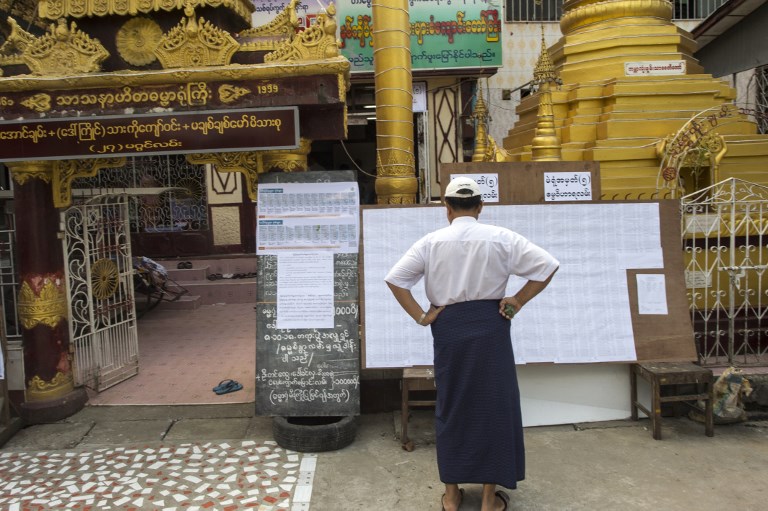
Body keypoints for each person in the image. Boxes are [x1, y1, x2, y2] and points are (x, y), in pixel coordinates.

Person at [384, 177, 559, 511]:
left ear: (446, 208)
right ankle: (489, 500)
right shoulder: (502, 238)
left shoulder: (431, 242)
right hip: (492, 325)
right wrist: (518, 300)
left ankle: (451, 497)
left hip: (449, 328)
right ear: (480, 206)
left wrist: (422, 316)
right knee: (493, 406)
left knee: (452, 405)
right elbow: (548, 266)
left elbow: (395, 279)